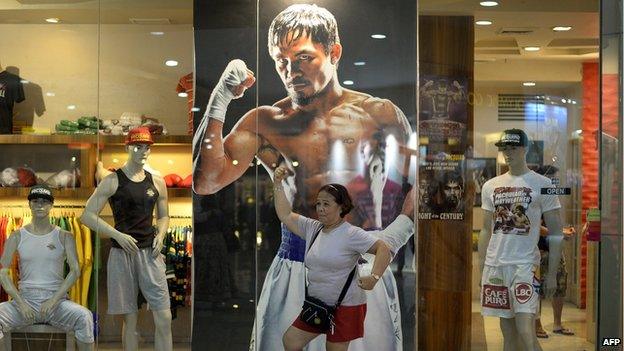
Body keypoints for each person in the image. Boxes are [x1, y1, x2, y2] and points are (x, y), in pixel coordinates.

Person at [192, 4, 413, 350]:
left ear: (334, 52)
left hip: (360, 269)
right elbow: (206, 181)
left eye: (303, 57)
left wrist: (392, 240)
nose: (291, 70)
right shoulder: (265, 121)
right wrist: (219, 100)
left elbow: (417, 186)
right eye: (281, 61)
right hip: (296, 265)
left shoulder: (379, 113)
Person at [272, 166, 413, 351]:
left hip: (346, 306)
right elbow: (285, 214)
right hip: (318, 303)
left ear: (341, 207)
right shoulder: (312, 228)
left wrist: (374, 277)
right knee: (291, 340)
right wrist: (277, 184)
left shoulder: (351, 234)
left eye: (326, 204)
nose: (321, 209)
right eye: (318, 204)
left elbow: (383, 249)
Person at [81, 127, 172, 351]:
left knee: (164, 317)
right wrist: (116, 234)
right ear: (127, 147)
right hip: (123, 254)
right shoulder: (113, 180)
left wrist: (161, 233)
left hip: (150, 253)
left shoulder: (157, 181)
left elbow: (164, 215)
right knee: (130, 319)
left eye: (147, 147)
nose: (143, 151)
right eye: (137, 146)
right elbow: (87, 215)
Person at [478, 129, 564, 351]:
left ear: (525, 149)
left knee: (526, 331)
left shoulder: (542, 184)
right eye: (504, 148)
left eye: (513, 147)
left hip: (525, 266)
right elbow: (486, 230)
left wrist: (552, 274)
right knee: (507, 333)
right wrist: (482, 268)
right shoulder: (490, 186)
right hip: (496, 267)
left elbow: (556, 233)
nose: (508, 153)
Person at [0, 185, 94, 350]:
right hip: (25, 301)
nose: (40, 205)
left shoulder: (65, 236)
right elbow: (3, 272)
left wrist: (54, 299)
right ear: (29, 204)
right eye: (35, 201)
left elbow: (75, 270)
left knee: (84, 317)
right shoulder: (16, 236)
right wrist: (21, 303)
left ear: (52, 205)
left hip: (56, 302)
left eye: (45, 201)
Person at [533, 165, 575, 338]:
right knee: (537, 289)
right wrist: (558, 233)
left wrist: (563, 231)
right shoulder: (537, 195)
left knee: (559, 284)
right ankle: (537, 324)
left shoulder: (553, 196)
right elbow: (535, 224)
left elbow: (554, 223)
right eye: (553, 179)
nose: (555, 182)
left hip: (554, 248)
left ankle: (557, 324)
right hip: (539, 248)